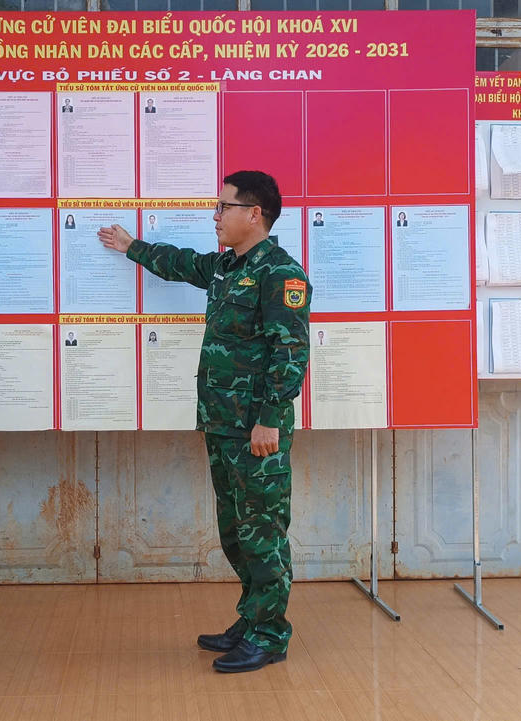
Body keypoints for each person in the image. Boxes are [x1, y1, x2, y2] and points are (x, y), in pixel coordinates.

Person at [98, 170, 310, 674]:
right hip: (221, 423)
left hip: (256, 429)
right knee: (236, 531)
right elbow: (181, 264)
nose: (215, 217)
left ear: (253, 214)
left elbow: (291, 353)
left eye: (223, 207)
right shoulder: (225, 266)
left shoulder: (280, 273)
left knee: (263, 531)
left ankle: (270, 634)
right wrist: (133, 247)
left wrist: (269, 422)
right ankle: (252, 616)